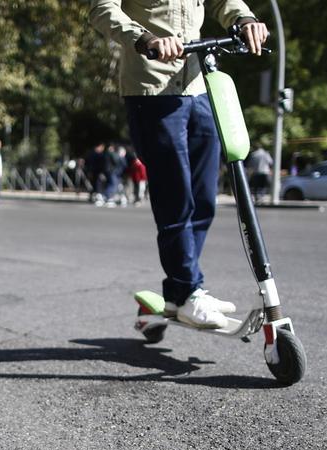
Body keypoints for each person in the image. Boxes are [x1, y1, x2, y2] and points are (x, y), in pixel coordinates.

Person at [89, 0, 268, 328]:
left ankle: (178, 292)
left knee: (203, 199)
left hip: (197, 86)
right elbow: (102, 10)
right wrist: (144, 38)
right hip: (151, 90)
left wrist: (245, 19)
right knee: (176, 199)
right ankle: (189, 291)